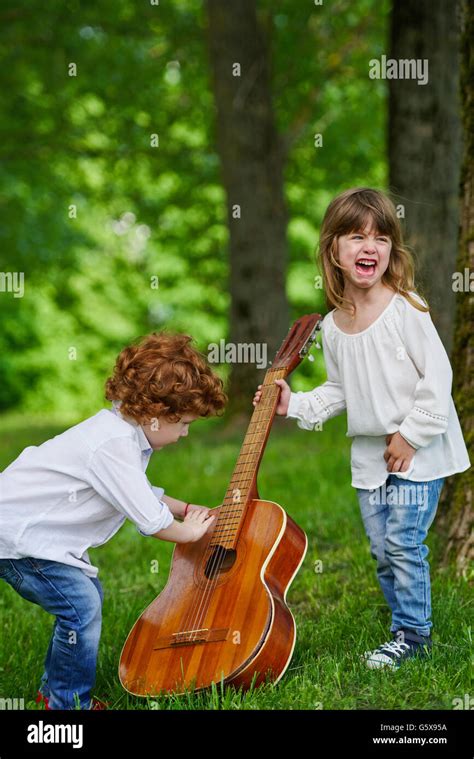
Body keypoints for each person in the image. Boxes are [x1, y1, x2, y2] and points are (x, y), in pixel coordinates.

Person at [253, 187, 470, 670]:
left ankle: (415, 635)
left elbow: (438, 377)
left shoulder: (406, 308)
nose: (369, 247)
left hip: (419, 450)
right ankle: (402, 624)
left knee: (402, 541)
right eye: (356, 236)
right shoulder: (333, 326)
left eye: (380, 238)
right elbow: (339, 390)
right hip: (371, 456)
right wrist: (294, 404)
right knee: (380, 549)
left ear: (393, 249)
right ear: (334, 250)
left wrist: (410, 435)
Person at [0, 332, 227, 708]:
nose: (185, 433)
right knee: (82, 607)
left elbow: (137, 492)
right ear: (157, 415)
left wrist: (184, 508)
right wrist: (189, 533)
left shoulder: (121, 436)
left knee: (86, 601)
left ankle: (55, 691)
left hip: (28, 535)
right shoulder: (113, 443)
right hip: (17, 536)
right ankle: (67, 706)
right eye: (184, 423)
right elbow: (150, 521)